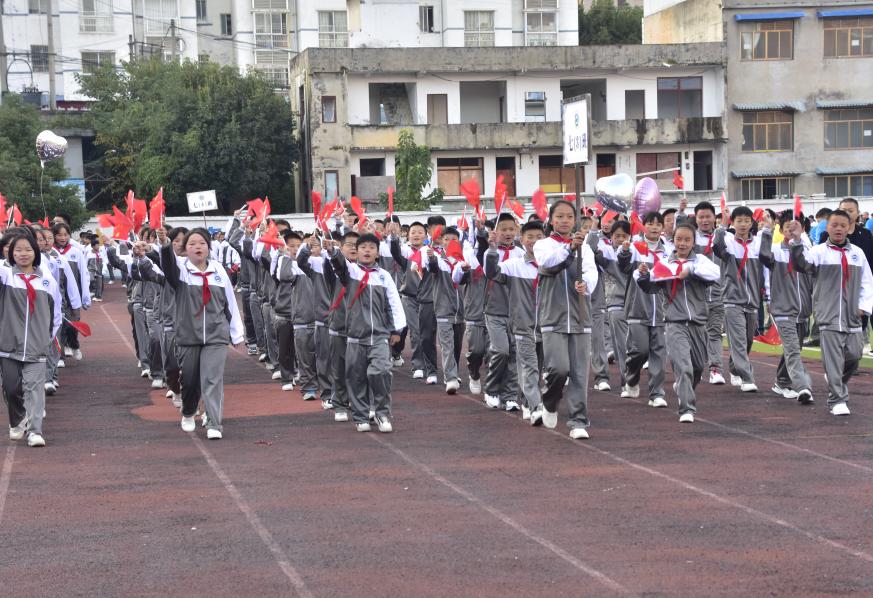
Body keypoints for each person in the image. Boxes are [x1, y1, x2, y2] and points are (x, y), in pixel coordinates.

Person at [156, 228, 245, 439]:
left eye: (202, 243)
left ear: (209, 247)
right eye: (192, 244)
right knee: (190, 379)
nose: (198, 247)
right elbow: (168, 265)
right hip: (188, 336)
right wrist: (165, 244)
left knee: (213, 380)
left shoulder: (218, 270)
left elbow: (229, 302)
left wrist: (236, 333)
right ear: (185, 249)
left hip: (216, 335)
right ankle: (188, 411)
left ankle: (214, 423)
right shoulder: (181, 270)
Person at [786, 211, 873, 416]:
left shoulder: (858, 253)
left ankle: (836, 380)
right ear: (827, 227)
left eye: (843, 225)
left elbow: (867, 282)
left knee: (854, 355)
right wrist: (797, 241)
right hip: (828, 315)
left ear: (849, 227)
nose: (838, 228)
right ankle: (837, 400)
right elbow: (800, 264)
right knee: (833, 359)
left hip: (853, 316)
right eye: (834, 225)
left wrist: (863, 306)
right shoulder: (818, 252)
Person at [635, 222, 721, 423]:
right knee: (683, 366)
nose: (682, 243)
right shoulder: (665, 263)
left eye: (687, 240)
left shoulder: (700, 261)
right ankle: (687, 409)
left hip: (699, 323)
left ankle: (684, 387)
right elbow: (650, 285)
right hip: (674, 322)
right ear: (673, 240)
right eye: (679, 239)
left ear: (693, 242)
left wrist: (690, 272)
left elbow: (714, 274)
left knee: (698, 366)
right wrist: (644, 275)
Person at [533, 200, 598, 439]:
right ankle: (549, 402)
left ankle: (578, 420)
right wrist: (570, 248)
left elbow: (592, 272)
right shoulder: (543, 245)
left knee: (580, 373)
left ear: (575, 220)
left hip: (581, 316)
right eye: (559, 216)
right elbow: (548, 264)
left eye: (569, 217)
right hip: (553, 317)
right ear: (551, 220)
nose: (564, 220)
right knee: (558, 369)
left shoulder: (586, 248)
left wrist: (586, 285)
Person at [329, 233, 406, 432]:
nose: (367, 250)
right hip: (355, 337)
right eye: (362, 247)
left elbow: (394, 303)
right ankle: (361, 416)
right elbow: (339, 265)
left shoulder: (384, 276)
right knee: (356, 377)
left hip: (380, 336)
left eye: (372, 247)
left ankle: (381, 413)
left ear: (377, 253)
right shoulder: (352, 271)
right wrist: (332, 251)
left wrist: (396, 329)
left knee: (380, 372)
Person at [0, 233, 62, 447]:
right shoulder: (6, 276)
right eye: (17, 250)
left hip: (37, 348)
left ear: (35, 252)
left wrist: (47, 339)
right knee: (11, 389)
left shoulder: (46, 281)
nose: (22, 254)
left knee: (35, 389)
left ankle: (35, 431)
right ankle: (18, 421)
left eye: (27, 249)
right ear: (9, 253)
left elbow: (56, 314)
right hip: (8, 346)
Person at [484, 220, 545, 422]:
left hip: (547, 324)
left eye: (539, 237)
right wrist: (492, 250)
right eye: (530, 237)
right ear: (523, 239)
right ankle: (535, 405)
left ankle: (524, 400)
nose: (534, 241)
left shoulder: (551, 263)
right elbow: (492, 273)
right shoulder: (513, 264)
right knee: (522, 362)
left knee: (542, 367)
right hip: (517, 321)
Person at [758, 210, 813, 404]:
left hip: (803, 311)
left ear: (803, 228)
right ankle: (803, 386)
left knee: (793, 349)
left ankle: (781, 382)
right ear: (781, 229)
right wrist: (767, 229)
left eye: (795, 226)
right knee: (792, 349)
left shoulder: (808, 251)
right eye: (787, 227)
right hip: (782, 309)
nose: (791, 230)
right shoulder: (774, 251)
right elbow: (763, 255)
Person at [712, 206, 762, 393]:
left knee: (748, 340)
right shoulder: (727, 240)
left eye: (746, 221)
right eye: (738, 221)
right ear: (733, 222)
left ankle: (735, 367)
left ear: (751, 223)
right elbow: (716, 247)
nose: (742, 224)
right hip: (732, 299)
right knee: (739, 339)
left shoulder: (756, 243)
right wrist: (721, 227)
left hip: (752, 301)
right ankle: (747, 377)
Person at [480, 213, 525, 409]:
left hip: (517, 311)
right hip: (495, 309)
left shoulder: (522, 252)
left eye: (511, 229)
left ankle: (511, 396)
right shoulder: (490, 252)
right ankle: (491, 388)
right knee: (500, 351)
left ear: (517, 231)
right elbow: (489, 271)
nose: (507, 233)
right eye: (503, 229)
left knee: (515, 354)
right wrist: (492, 248)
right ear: (495, 232)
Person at [275, 230, 318, 400]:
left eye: (302, 247)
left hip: (323, 320)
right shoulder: (293, 266)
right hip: (302, 319)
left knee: (322, 358)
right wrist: (285, 256)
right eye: (292, 246)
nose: (296, 249)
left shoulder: (321, 265)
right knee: (304, 357)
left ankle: (327, 390)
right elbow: (284, 276)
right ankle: (309, 387)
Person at [426, 226, 465, 394]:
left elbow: (467, 281)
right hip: (443, 309)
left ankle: (453, 372)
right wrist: (432, 259)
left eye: (454, 239)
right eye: (446, 239)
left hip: (461, 311)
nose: (450, 242)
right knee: (447, 345)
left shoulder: (462, 261)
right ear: (441, 241)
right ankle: (450, 378)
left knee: (457, 346)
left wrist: (466, 270)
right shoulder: (438, 260)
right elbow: (432, 267)